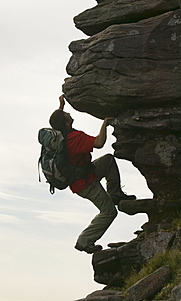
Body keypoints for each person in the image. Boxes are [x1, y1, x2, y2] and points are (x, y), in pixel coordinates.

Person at [49, 95, 136, 254]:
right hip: (85, 184)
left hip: (85, 173)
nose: (69, 114)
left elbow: (58, 121)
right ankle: (84, 241)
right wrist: (105, 123)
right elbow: (99, 143)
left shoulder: (58, 136)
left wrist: (61, 105)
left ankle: (115, 192)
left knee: (108, 160)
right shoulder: (75, 138)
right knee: (109, 212)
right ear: (67, 123)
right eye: (67, 115)